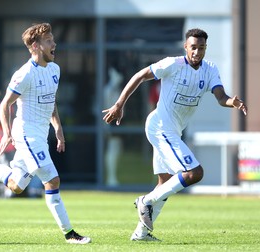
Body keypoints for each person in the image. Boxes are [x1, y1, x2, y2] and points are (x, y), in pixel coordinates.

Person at [0, 23, 91, 244]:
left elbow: (51, 102)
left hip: (41, 135)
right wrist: (6, 133)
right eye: (49, 40)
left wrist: (58, 128)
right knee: (52, 181)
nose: (54, 44)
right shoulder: (24, 74)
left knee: (16, 185)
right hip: (26, 134)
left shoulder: (55, 70)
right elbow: (5, 104)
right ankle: (70, 234)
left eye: (53, 39)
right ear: (35, 46)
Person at [102, 28, 247, 242]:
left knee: (166, 181)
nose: (197, 52)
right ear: (185, 47)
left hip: (172, 131)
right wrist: (119, 104)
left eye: (202, 48)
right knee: (194, 172)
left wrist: (231, 102)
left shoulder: (210, 70)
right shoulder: (173, 64)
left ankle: (141, 233)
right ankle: (146, 201)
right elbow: (141, 75)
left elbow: (220, 96)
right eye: (193, 47)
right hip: (160, 127)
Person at [103, 67, 124, 186]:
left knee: (116, 149)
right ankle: (111, 177)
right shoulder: (108, 90)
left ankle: (113, 176)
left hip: (117, 122)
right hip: (110, 123)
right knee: (112, 148)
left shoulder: (115, 89)